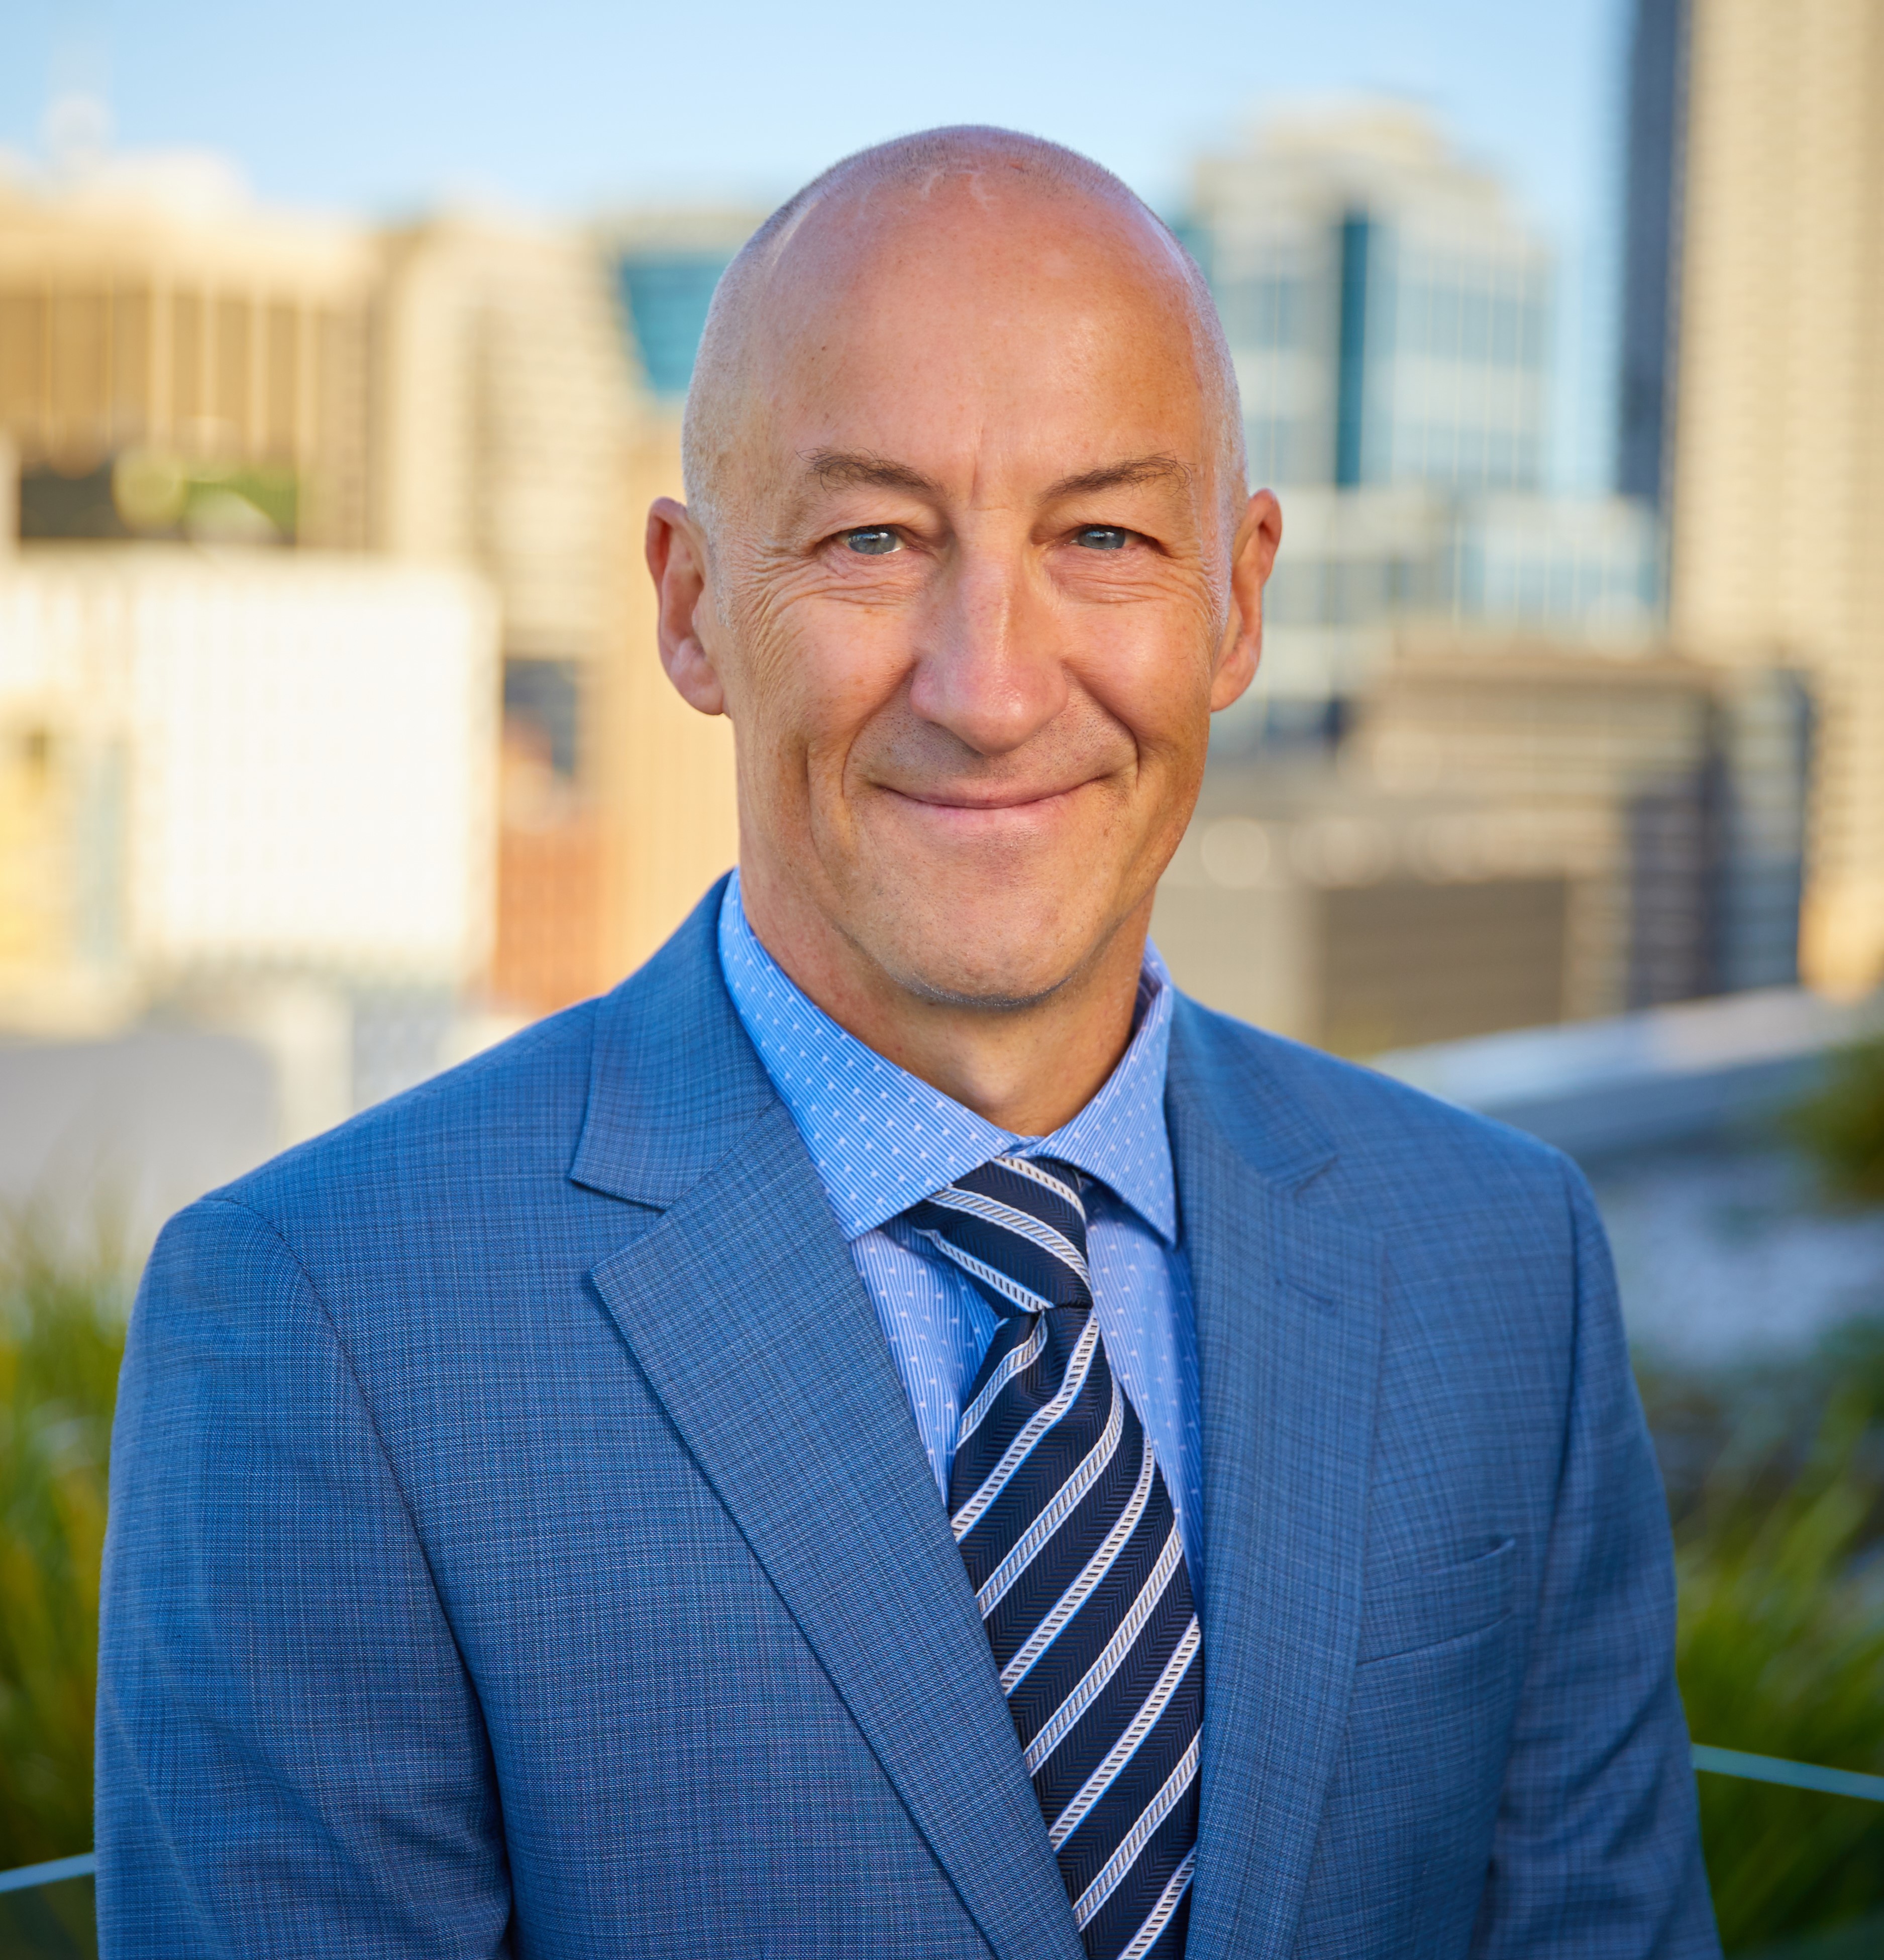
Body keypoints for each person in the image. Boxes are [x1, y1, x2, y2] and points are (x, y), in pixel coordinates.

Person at [96, 128, 1719, 1959]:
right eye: (873, 539)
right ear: (695, 605)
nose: (993, 684)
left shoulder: (1502, 1264)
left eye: (1103, 535)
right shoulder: (324, 1318)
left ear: (1242, 600)